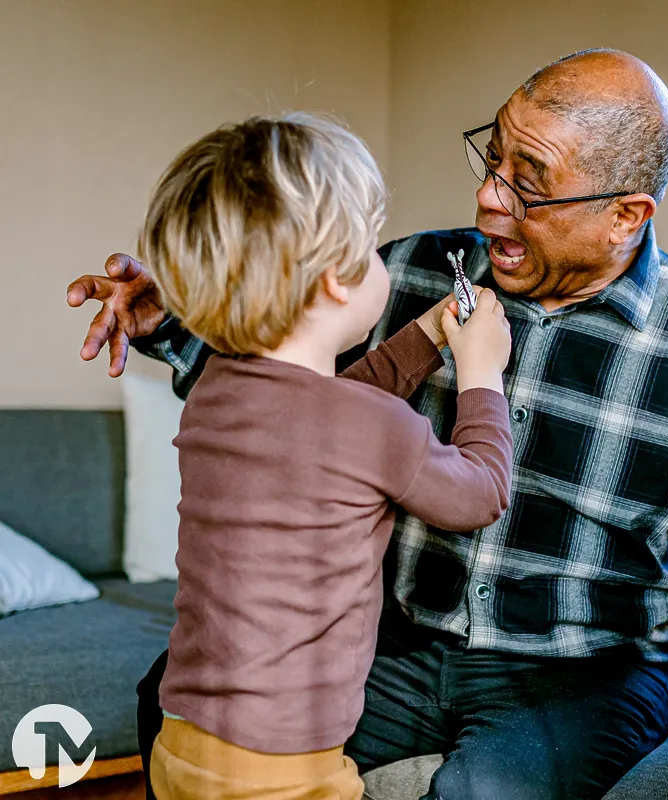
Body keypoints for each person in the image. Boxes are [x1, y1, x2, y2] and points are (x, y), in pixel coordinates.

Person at [66, 50, 668, 799]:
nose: (487, 198)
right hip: (395, 642)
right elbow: (280, 400)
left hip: (584, 671)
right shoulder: (408, 272)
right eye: (493, 156)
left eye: (529, 183)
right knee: (180, 707)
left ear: (625, 216)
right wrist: (171, 321)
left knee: (485, 792)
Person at [130, 111, 514, 800]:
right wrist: (482, 375)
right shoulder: (372, 426)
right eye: (369, 250)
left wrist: (425, 336)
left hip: (181, 734)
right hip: (287, 766)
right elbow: (479, 492)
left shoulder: (216, 388)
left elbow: (326, 411)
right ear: (338, 281)